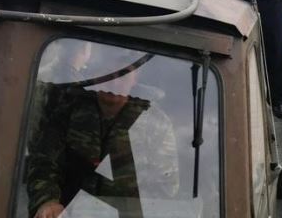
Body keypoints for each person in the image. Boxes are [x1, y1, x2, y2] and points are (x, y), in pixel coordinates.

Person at [27, 49, 178, 218]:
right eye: (107, 74)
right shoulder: (69, 112)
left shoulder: (155, 123)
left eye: (123, 75)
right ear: (96, 75)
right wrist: (47, 201)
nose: (114, 83)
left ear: (135, 78)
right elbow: (44, 163)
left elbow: (165, 186)